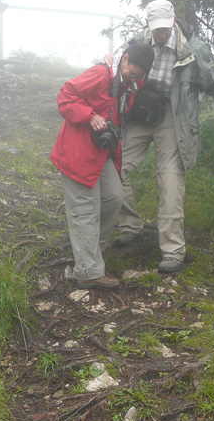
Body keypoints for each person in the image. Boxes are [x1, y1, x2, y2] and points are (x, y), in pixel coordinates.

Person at [110, 0, 214, 274]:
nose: (162, 34)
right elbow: (115, 70)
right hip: (139, 111)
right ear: (147, 24)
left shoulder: (192, 46)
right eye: (157, 29)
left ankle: (172, 251)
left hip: (174, 114)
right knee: (113, 165)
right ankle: (130, 226)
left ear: (174, 20)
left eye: (166, 28)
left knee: (169, 177)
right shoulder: (135, 45)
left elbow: (211, 77)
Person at [50, 44, 155, 289]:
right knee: (85, 208)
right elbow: (65, 96)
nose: (133, 78)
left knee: (113, 196)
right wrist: (90, 115)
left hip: (100, 152)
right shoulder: (100, 74)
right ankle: (87, 272)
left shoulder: (129, 83)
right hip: (77, 151)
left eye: (138, 76)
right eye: (131, 72)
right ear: (124, 59)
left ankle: (91, 251)